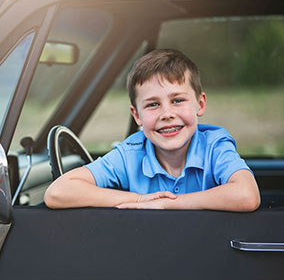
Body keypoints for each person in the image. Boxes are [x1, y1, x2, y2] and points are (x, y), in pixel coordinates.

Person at [44, 49, 260, 211]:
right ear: (136, 115)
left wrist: (167, 204)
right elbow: (57, 192)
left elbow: (247, 195)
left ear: (200, 104)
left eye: (177, 100)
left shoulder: (214, 144)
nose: (167, 114)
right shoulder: (131, 152)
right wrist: (139, 200)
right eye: (153, 104)